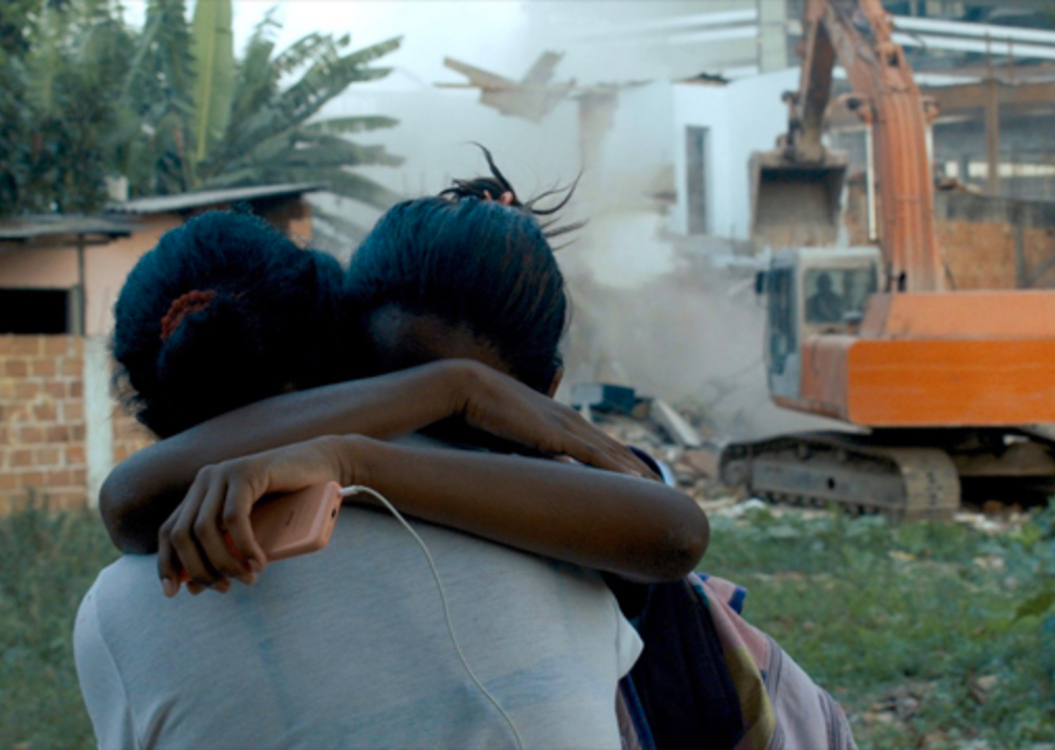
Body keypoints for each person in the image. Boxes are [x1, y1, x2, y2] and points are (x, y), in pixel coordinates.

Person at [77, 210, 702, 749]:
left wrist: (359, 454)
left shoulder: (119, 609)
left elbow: (675, 530)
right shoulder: (555, 531)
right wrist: (455, 392)